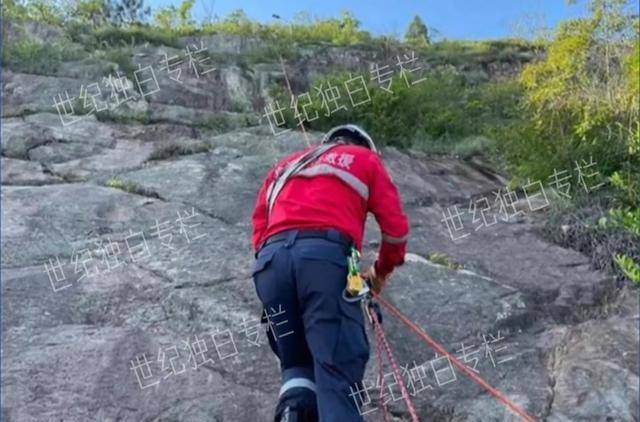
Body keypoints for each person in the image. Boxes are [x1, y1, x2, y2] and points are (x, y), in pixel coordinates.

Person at [251, 124, 409, 422]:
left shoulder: (285, 166)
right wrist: (377, 275)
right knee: (337, 376)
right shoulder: (365, 160)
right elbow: (396, 233)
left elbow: (260, 231)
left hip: (272, 268)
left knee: (296, 369)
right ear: (364, 146)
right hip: (324, 262)